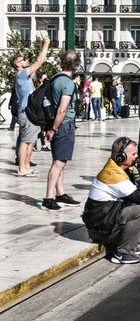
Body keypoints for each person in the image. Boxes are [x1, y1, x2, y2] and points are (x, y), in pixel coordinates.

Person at [81, 137, 140, 264]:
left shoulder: (121, 168)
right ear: (121, 156)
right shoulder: (113, 174)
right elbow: (139, 197)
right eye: (133, 154)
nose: (136, 156)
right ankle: (123, 252)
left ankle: (131, 244)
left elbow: (138, 195)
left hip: (108, 219)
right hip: (99, 228)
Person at [43, 51, 83, 211]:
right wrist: (54, 129)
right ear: (77, 65)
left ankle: (60, 193)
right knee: (59, 163)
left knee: (60, 160)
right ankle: (48, 197)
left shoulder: (55, 78)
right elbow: (62, 109)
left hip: (56, 124)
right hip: (63, 125)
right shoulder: (68, 84)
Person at [12, 36, 50, 177]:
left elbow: (40, 61)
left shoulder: (26, 76)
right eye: (23, 60)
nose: (26, 60)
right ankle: (22, 168)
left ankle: (26, 167)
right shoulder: (21, 75)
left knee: (31, 142)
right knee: (25, 141)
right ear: (18, 65)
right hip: (25, 112)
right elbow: (39, 61)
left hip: (30, 112)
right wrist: (45, 44)